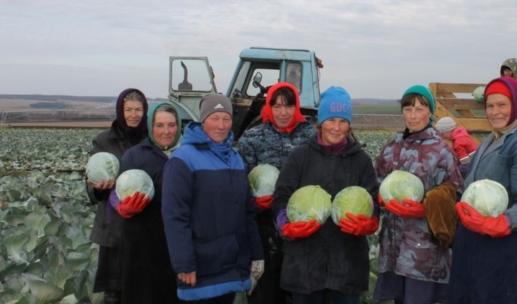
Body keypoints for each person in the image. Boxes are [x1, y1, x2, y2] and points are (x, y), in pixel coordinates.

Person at [448, 77, 517, 304]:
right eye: (490, 106)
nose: (495, 112)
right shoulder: (494, 137)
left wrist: (501, 223)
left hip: (504, 248)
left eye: (502, 105)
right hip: (475, 241)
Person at [272, 86, 379, 304]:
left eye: (343, 121)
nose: (336, 128)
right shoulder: (300, 156)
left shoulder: (361, 161)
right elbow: (281, 197)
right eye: (331, 120)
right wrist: (286, 225)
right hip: (305, 264)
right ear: (320, 123)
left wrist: (370, 223)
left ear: (349, 125)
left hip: (347, 264)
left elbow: (373, 201)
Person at [162, 94, 264, 303]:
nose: (221, 125)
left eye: (226, 119)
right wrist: (184, 263)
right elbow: (175, 216)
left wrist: (256, 254)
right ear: (203, 120)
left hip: (231, 266)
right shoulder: (183, 159)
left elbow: (246, 212)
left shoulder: (234, 158)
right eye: (214, 118)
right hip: (200, 267)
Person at [373, 85, 464, 304]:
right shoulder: (389, 149)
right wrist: (378, 197)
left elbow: (455, 198)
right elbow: (375, 183)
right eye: (408, 109)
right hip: (393, 249)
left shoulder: (442, 152)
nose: (413, 116)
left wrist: (425, 209)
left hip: (425, 253)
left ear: (431, 113)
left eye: (419, 109)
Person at [239, 82, 316, 304]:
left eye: (289, 106)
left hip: (303, 228)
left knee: (300, 293)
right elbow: (239, 183)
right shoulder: (252, 138)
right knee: (266, 292)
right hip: (264, 231)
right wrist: (254, 204)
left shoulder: (311, 137)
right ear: (269, 108)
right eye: (277, 106)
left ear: (297, 107)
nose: (283, 112)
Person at [112, 103, 182, 304]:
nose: (166, 131)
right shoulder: (135, 155)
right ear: (151, 127)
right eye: (159, 125)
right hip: (142, 246)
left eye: (171, 125)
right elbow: (116, 191)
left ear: (179, 126)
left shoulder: (188, 154)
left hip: (178, 243)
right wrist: (121, 207)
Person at [86, 88, 148, 304]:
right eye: (128, 109)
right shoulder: (104, 141)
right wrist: (100, 187)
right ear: (120, 111)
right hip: (114, 228)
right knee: (113, 291)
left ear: (145, 111)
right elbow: (91, 186)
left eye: (138, 109)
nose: (134, 115)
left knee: (142, 287)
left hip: (145, 222)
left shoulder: (151, 138)